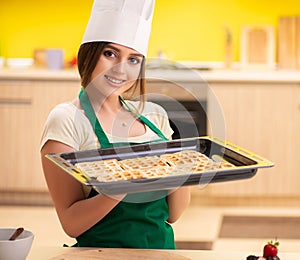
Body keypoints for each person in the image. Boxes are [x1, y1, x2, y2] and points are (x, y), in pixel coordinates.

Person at [40, 0, 190, 249]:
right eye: (110, 54)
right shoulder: (66, 120)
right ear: (89, 53)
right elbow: (71, 224)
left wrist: (183, 170)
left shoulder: (156, 117)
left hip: (162, 253)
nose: (121, 69)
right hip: (100, 254)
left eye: (133, 60)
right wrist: (120, 186)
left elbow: (173, 214)